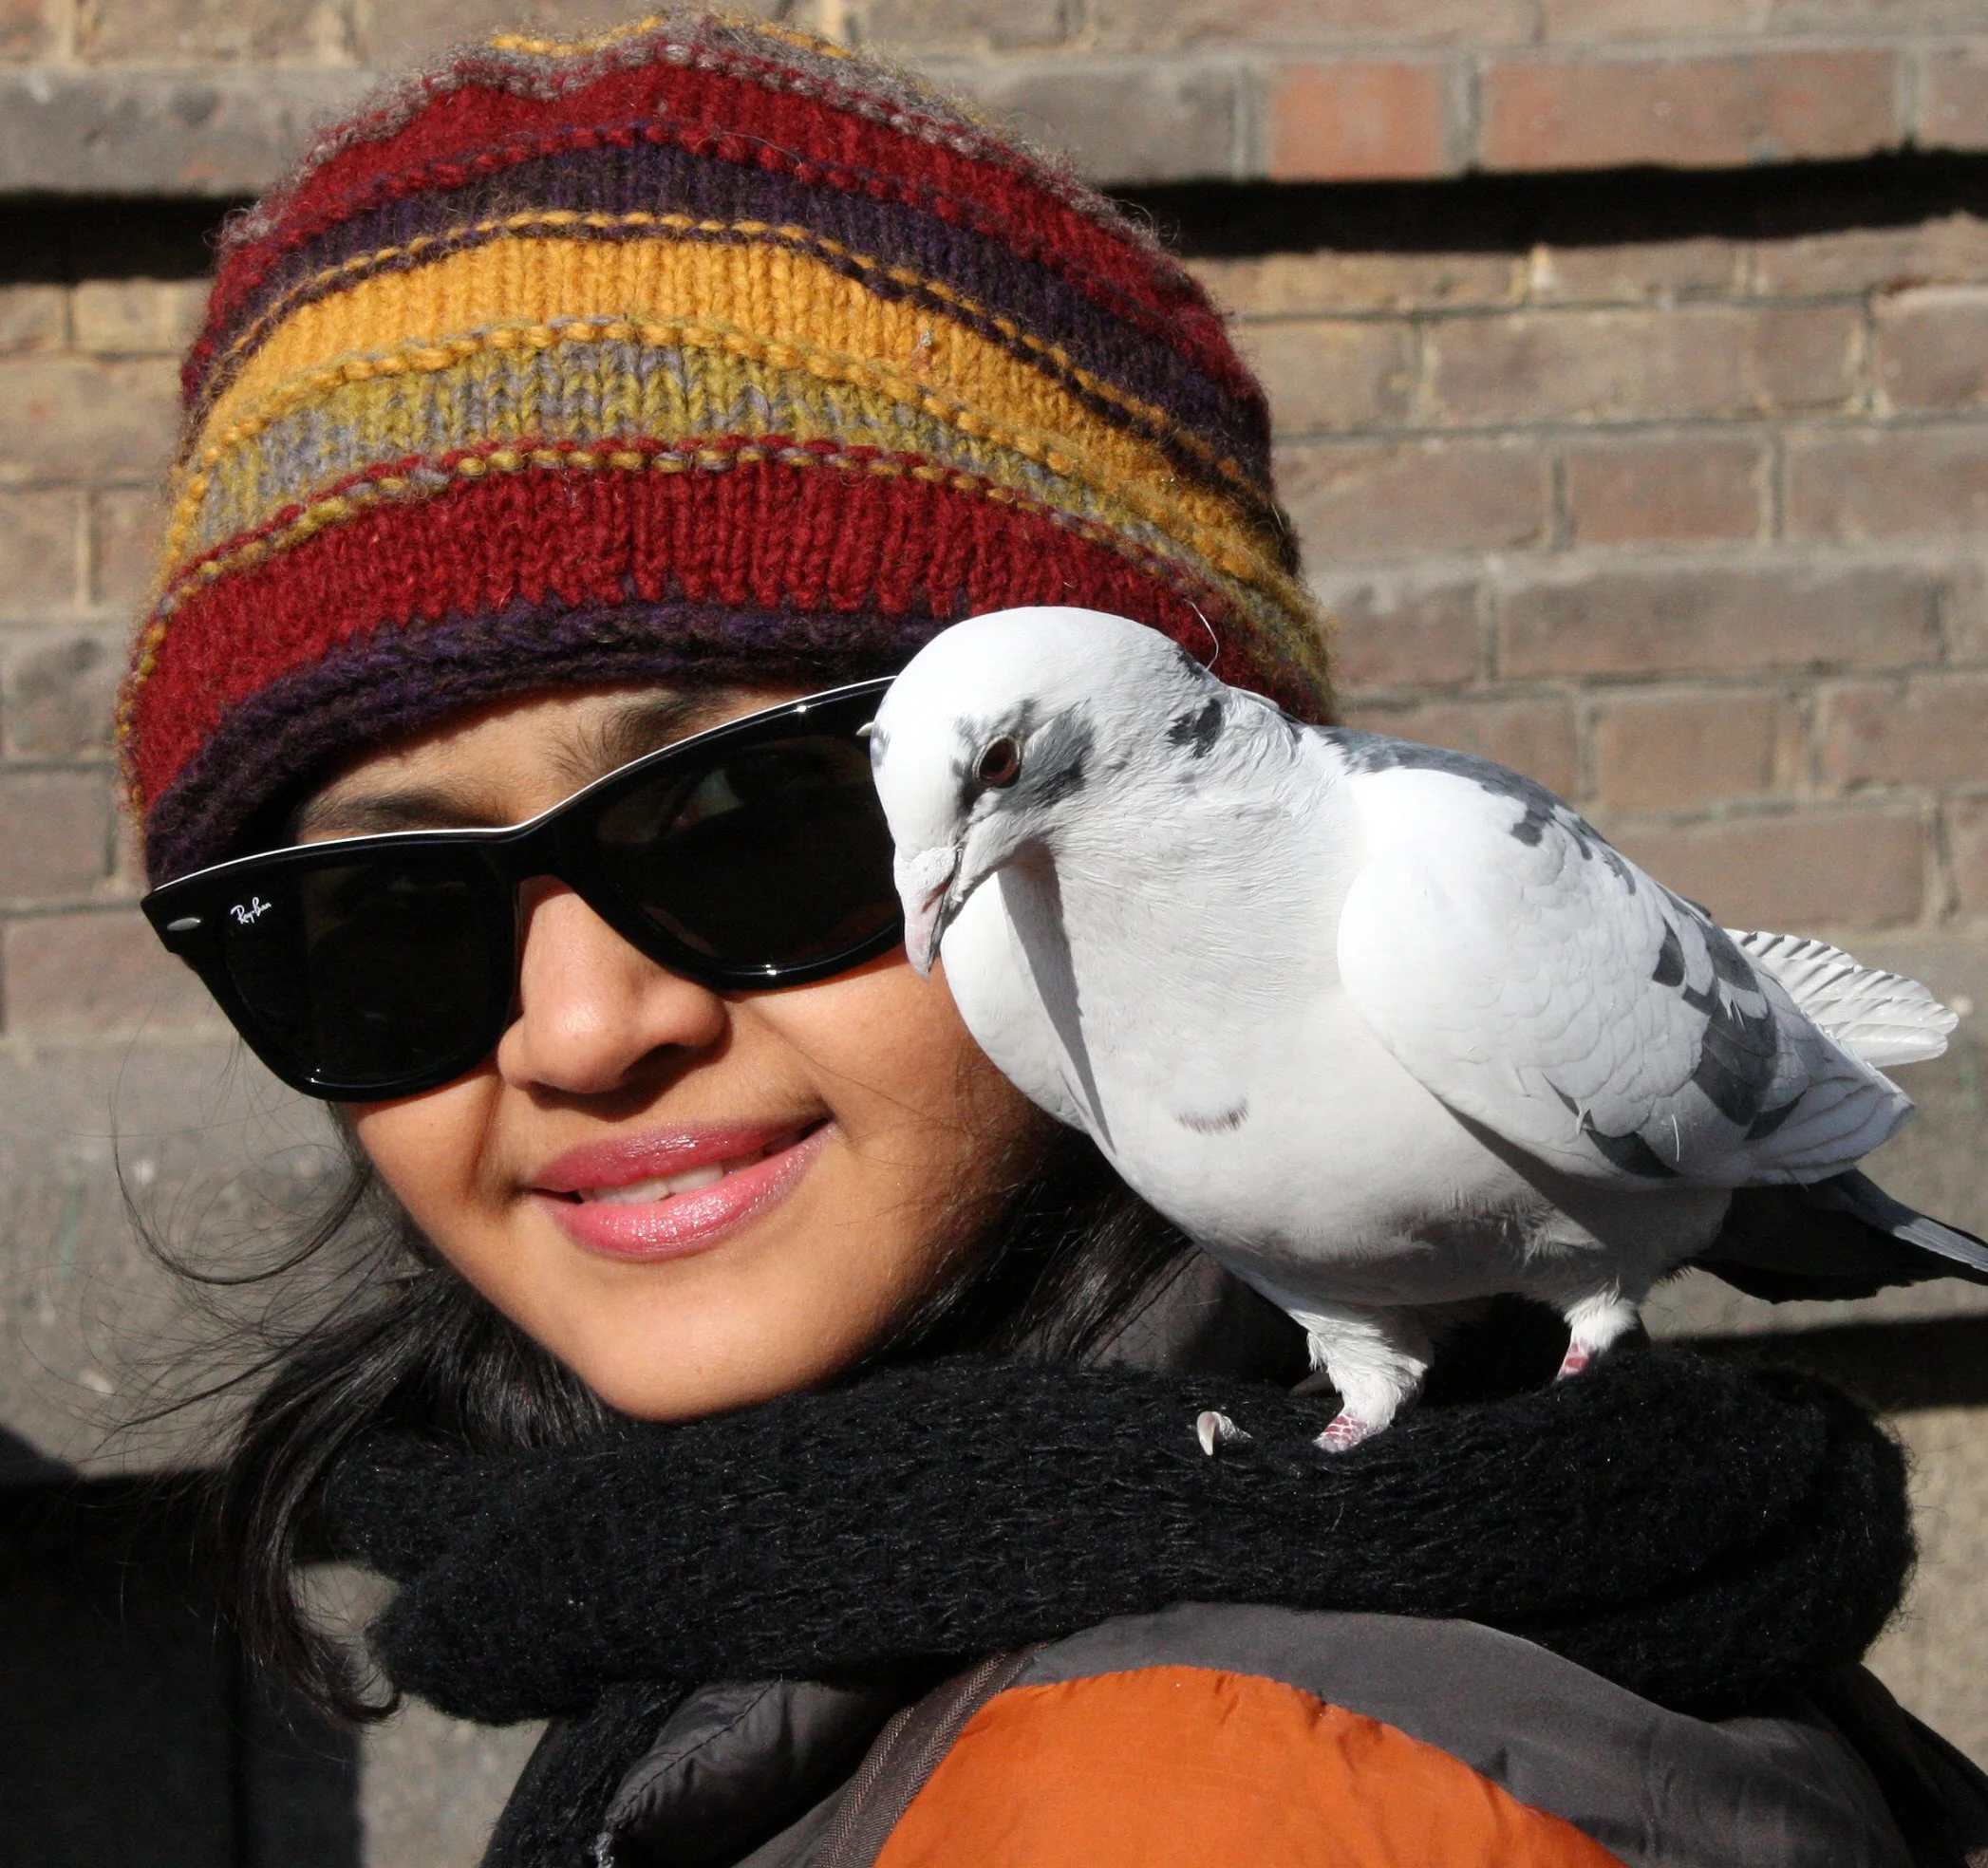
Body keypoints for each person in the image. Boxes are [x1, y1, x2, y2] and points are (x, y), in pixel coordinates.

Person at [125, 13, 1988, 1865]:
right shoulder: (771, 1648)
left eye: (771, 826)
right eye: (373, 920)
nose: (586, 1026)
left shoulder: (1203, 1799)